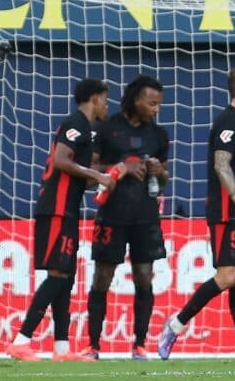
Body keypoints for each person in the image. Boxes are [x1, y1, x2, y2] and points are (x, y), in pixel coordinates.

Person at [158, 65, 235, 361]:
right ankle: (174, 325)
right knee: (226, 276)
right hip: (228, 211)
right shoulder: (228, 121)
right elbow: (220, 164)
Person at [4, 79, 113, 362]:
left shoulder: (86, 131)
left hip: (67, 210)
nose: (106, 105)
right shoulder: (75, 123)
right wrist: (97, 176)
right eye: (104, 99)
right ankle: (21, 340)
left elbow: (77, 174)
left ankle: (61, 349)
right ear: (93, 99)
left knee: (67, 276)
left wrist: (102, 180)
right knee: (58, 275)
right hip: (55, 209)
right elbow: (62, 160)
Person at [81, 75, 170, 361]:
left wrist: (159, 172)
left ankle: (140, 345)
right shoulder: (107, 129)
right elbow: (89, 173)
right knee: (102, 278)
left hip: (145, 217)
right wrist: (122, 167)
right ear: (136, 100)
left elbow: (165, 179)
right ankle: (93, 346)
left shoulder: (159, 135)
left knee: (144, 278)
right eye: (152, 103)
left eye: (159, 104)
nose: (156, 109)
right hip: (112, 215)